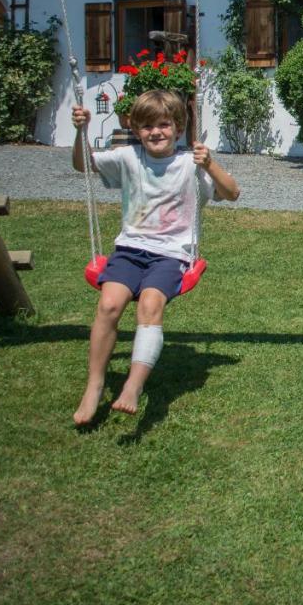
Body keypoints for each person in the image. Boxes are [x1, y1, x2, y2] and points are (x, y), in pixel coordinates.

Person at [70, 89, 240, 426]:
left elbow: (232, 193)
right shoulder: (128, 158)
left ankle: (133, 386)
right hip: (130, 250)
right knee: (108, 305)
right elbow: (82, 164)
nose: (155, 132)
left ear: (178, 128)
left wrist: (210, 163)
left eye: (163, 125)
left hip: (172, 255)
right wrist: (80, 132)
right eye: (146, 126)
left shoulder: (189, 164)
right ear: (136, 129)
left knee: (150, 304)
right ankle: (95, 385)